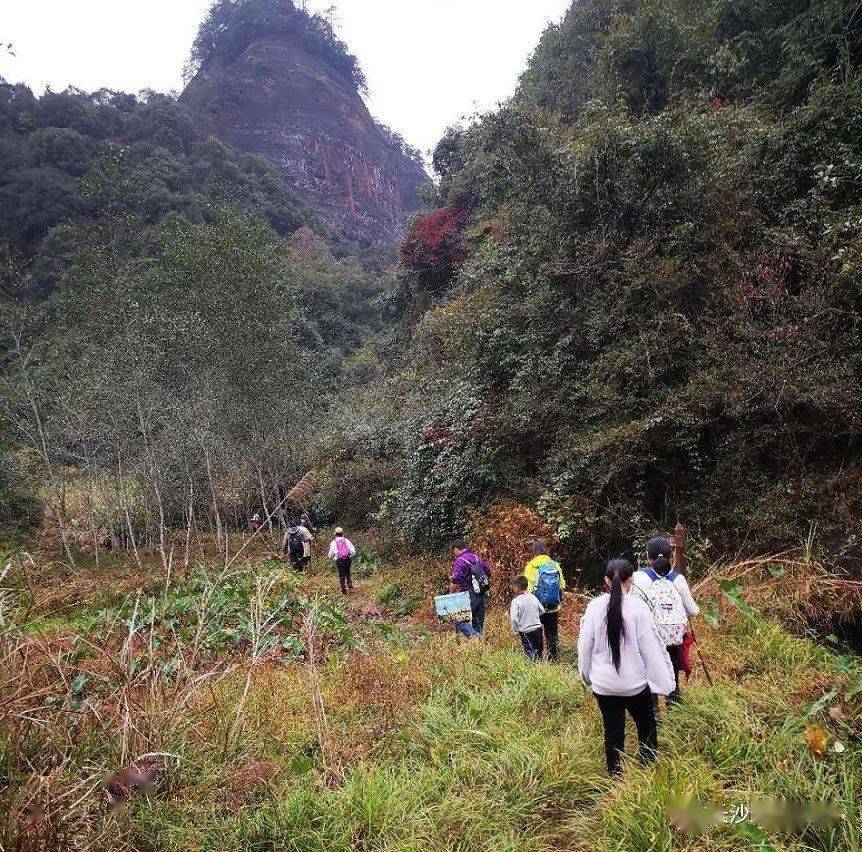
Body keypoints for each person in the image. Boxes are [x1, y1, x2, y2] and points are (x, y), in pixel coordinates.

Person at [578, 559, 675, 775]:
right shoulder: (638, 608)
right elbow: (651, 650)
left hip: (603, 686)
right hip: (635, 685)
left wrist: (586, 677)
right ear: (630, 580)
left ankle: (615, 776)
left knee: (612, 731)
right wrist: (663, 684)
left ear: (606, 580)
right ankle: (648, 768)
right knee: (646, 726)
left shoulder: (593, 608)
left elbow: (585, 647)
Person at [632, 536, 700, 705]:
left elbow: (634, 609)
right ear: (671, 556)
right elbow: (694, 611)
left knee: (650, 678)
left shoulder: (639, 578)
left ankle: (653, 716)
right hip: (674, 638)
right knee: (673, 677)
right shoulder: (678, 579)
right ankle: (676, 713)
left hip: (650, 638)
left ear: (648, 556)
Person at [523, 540, 566, 661]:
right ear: (545, 550)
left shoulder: (531, 566)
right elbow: (562, 585)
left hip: (536, 606)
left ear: (534, 551)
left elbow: (527, 588)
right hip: (553, 607)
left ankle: (538, 658)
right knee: (552, 634)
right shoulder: (555, 565)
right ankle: (553, 659)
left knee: (537, 632)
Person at [449, 539, 492, 638]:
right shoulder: (476, 558)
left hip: (468, 594)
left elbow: (456, 578)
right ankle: (480, 647)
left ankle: (475, 638)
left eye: (453, 550)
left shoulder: (460, 561)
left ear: (456, 549)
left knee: (460, 620)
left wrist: (451, 592)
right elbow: (488, 571)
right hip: (481, 594)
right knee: (478, 623)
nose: (453, 553)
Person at [510, 576, 545, 661]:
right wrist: (534, 616)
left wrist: (515, 631)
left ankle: (532, 670)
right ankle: (540, 669)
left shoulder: (516, 601)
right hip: (537, 628)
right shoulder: (533, 597)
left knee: (529, 653)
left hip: (525, 631)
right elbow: (542, 610)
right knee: (538, 651)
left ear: (516, 587)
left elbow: (514, 618)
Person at [328, 527, 356, 594]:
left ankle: (343, 589)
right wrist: (350, 555)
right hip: (347, 559)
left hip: (339, 560)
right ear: (342, 533)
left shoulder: (333, 542)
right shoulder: (346, 540)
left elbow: (331, 553)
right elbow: (353, 551)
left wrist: (330, 557)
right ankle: (349, 585)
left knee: (341, 574)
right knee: (347, 572)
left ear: (335, 534)